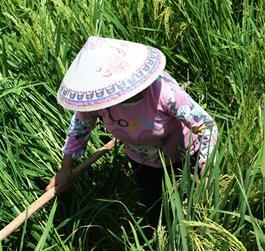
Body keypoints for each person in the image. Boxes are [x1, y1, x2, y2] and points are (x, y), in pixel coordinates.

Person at [48, 36, 218, 228]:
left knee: (191, 201)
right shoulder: (99, 101)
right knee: (155, 206)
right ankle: (161, 233)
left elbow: (205, 125)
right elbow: (80, 128)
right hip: (142, 161)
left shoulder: (165, 93)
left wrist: (206, 166)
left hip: (184, 156)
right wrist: (65, 168)